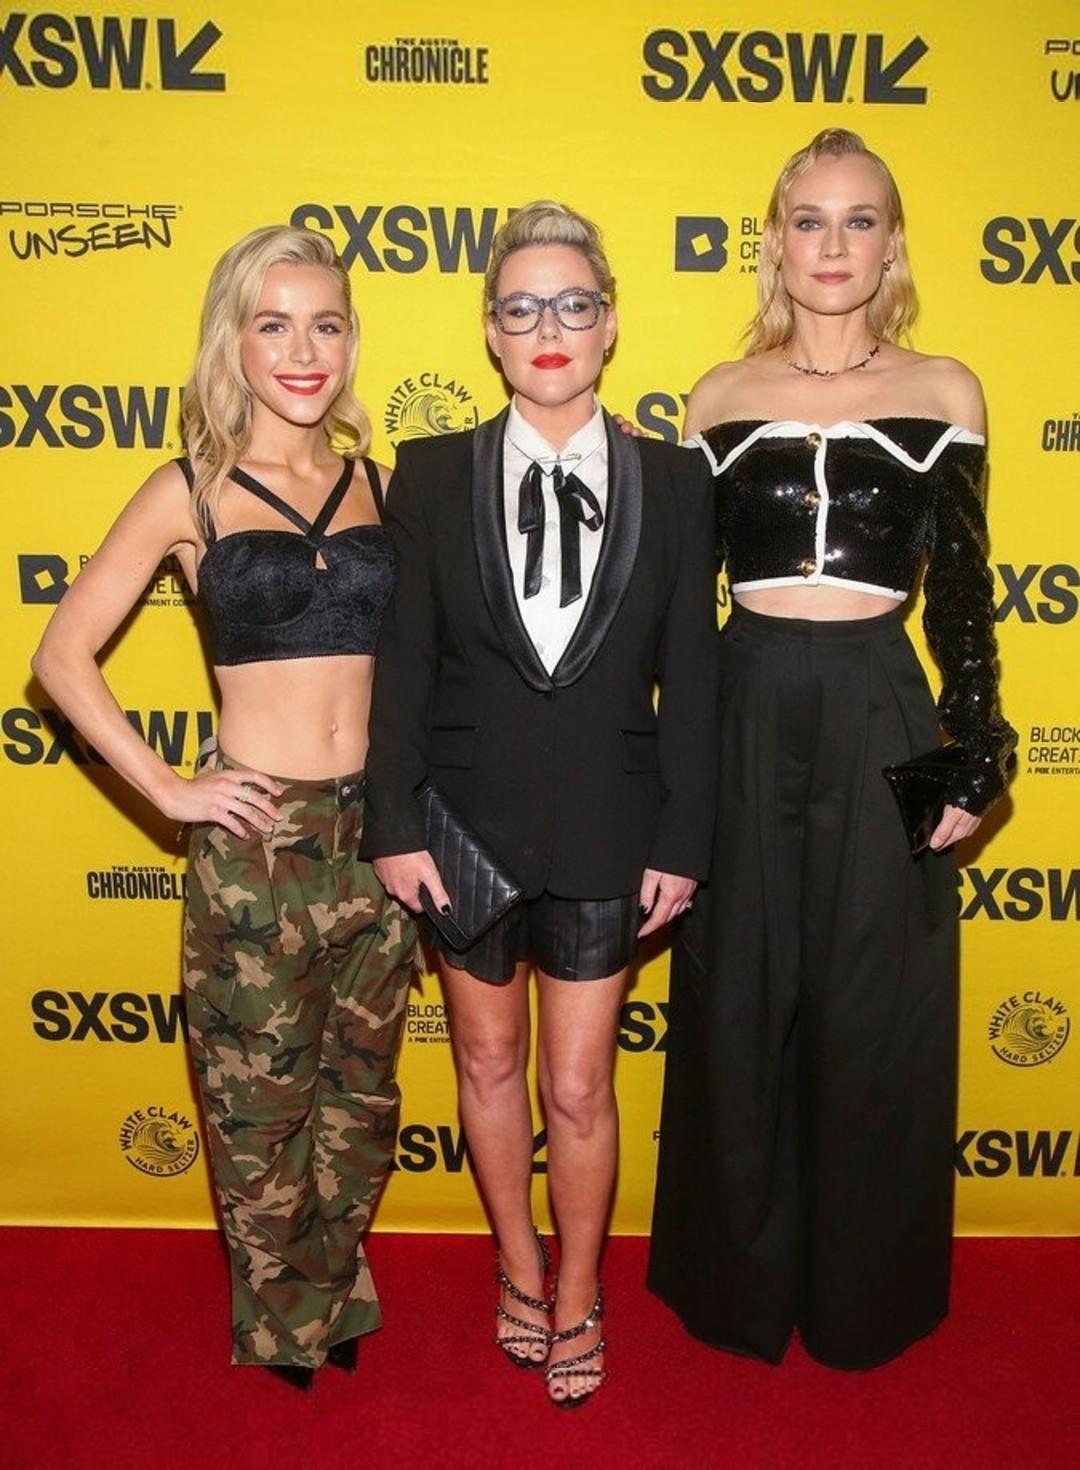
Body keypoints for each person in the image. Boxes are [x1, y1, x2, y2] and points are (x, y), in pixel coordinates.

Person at [648, 128, 1016, 1370]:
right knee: (737, 994)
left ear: (892, 242)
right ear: (775, 241)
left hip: (882, 706)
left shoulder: (946, 390)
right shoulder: (716, 397)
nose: (834, 244)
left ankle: (866, 1297)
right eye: (810, 219)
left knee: (878, 1002)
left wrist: (978, 753)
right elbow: (682, 614)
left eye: (861, 220)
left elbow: (960, 598)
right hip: (745, 700)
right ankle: (737, 1290)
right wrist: (663, 775)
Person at [31, 225, 417, 1388]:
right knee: (258, 1111)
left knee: (361, 1099)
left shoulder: (387, 485)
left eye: (326, 325)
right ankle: (285, 1323)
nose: (304, 351)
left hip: (381, 838)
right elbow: (60, 657)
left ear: (351, 340)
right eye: (274, 324)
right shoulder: (187, 489)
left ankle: (331, 1287)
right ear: (232, 341)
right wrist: (168, 788)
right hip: (258, 843)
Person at [361, 201, 720, 1405]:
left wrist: (684, 837)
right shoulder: (429, 473)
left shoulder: (676, 480)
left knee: (577, 1085)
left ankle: (578, 1290)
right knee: (485, 1059)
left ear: (609, 323)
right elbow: (404, 662)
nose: (548, 326)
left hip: (614, 827)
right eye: (521, 307)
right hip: (461, 826)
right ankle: (515, 1265)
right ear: (491, 331)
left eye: (573, 303)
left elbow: (695, 675)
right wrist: (393, 823)